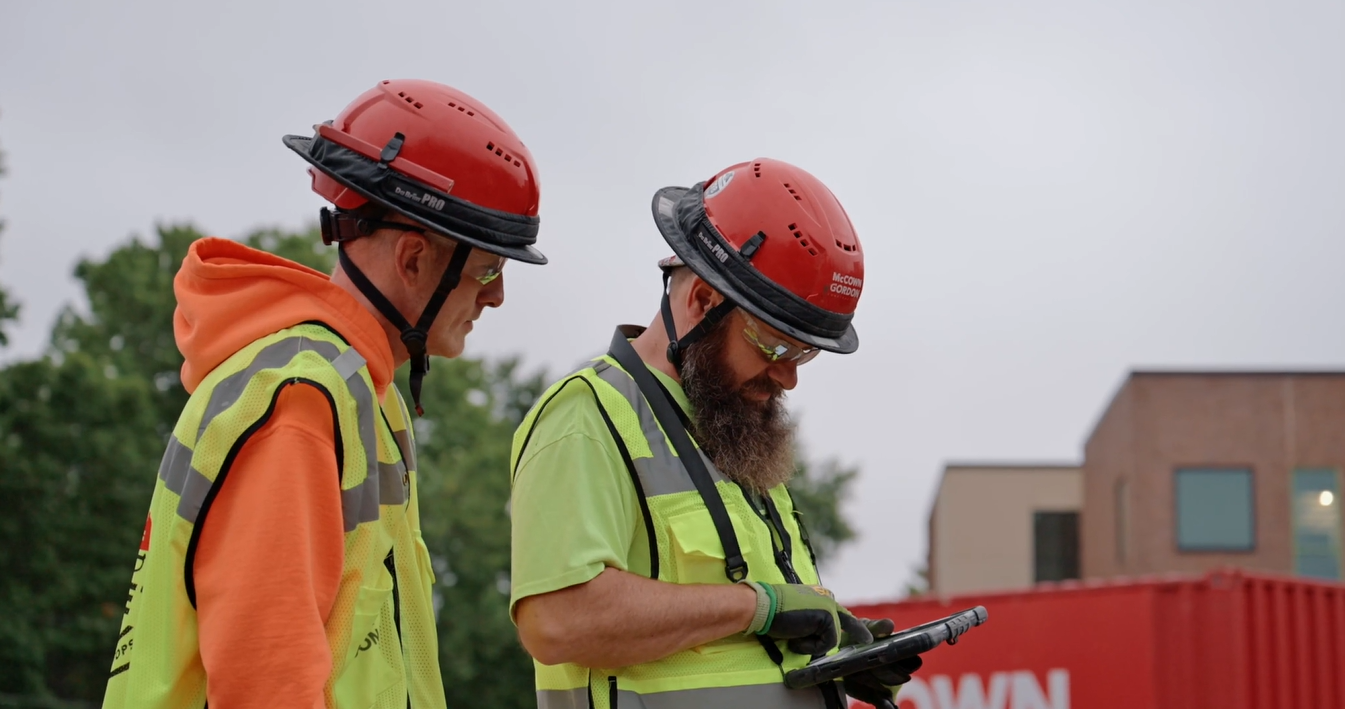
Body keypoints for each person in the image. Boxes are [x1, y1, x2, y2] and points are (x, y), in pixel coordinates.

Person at [102, 79, 546, 709]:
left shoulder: (364, 392)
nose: (496, 295)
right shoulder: (303, 400)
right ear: (415, 259)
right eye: (489, 268)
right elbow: (266, 686)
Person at [508, 158, 920, 709]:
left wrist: (832, 648)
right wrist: (762, 607)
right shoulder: (587, 418)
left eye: (806, 354)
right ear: (702, 301)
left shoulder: (732, 429)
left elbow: (735, 644)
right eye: (775, 346)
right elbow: (558, 620)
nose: (790, 376)